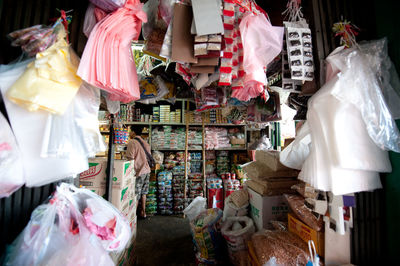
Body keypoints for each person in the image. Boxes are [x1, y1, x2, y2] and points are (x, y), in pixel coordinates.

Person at [126, 126, 151, 218]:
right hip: (147, 171)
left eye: (130, 131)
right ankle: (143, 213)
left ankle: (132, 217)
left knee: (136, 194)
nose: (129, 133)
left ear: (133, 132)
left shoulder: (132, 142)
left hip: (139, 172)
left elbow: (130, 159)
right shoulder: (146, 143)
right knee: (144, 193)